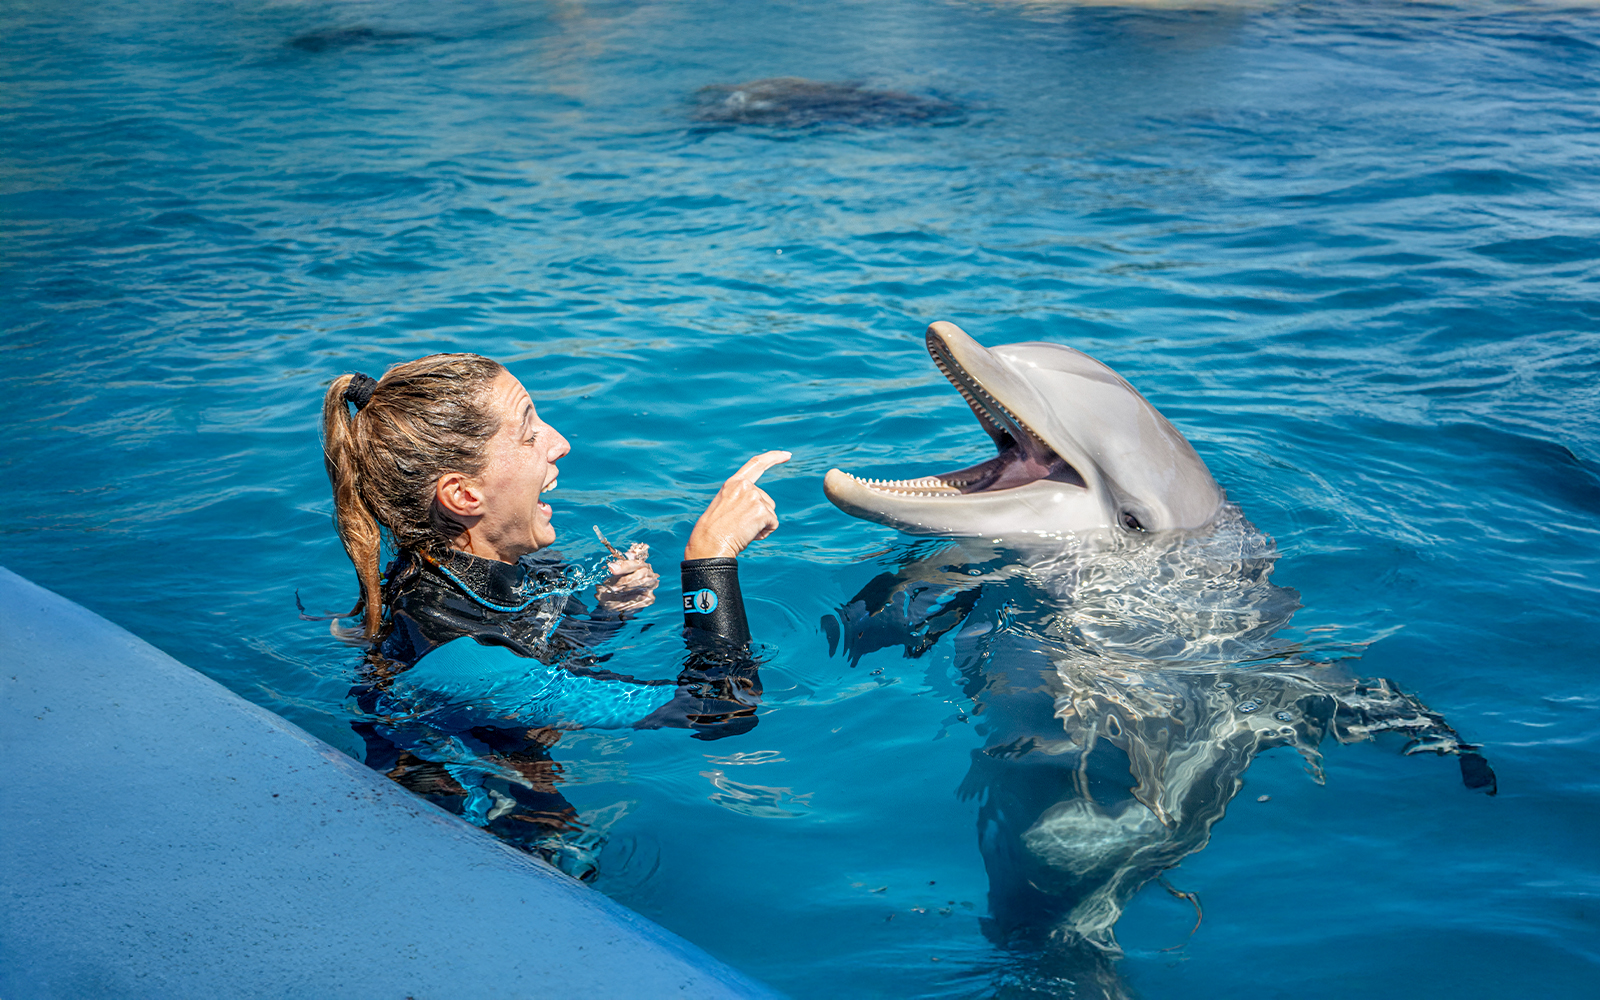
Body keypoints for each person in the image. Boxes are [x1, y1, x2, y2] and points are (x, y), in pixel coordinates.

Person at [320, 353, 788, 876]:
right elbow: (722, 707)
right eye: (528, 430)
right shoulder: (460, 661)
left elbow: (542, 657)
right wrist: (710, 560)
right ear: (463, 494)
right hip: (488, 851)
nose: (560, 441)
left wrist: (608, 615)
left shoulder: (502, 568)